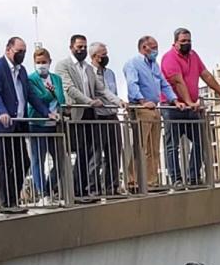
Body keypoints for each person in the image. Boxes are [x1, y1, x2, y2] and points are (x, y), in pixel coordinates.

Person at [0, 37, 57, 213]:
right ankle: (6, 203)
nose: (21, 55)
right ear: (8, 50)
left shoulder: (21, 70)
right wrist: (2, 113)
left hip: (17, 126)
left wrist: (47, 112)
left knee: (23, 161)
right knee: (4, 164)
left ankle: (13, 200)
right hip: (1, 127)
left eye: (24, 51)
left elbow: (30, 95)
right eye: (18, 51)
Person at [54, 34, 121, 201]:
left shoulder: (88, 68)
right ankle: (77, 191)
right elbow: (69, 88)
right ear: (71, 47)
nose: (82, 50)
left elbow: (101, 89)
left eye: (84, 47)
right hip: (76, 114)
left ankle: (86, 190)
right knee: (80, 153)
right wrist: (89, 102)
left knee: (90, 154)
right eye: (79, 47)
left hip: (91, 115)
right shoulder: (63, 65)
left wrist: (118, 101)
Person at [160, 27, 220, 186]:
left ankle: (193, 177)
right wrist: (189, 102)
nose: (186, 44)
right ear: (175, 42)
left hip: (191, 108)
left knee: (200, 141)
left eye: (189, 41)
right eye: (183, 41)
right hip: (173, 108)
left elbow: (206, 75)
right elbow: (178, 81)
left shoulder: (193, 55)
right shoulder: (169, 58)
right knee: (173, 146)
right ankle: (176, 179)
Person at [124, 35, 183, 191]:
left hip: (154, 108)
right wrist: (143, 101)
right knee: (140, 146)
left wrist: (174, 100)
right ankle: (133, 182)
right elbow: (132, 84)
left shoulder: (154, 65)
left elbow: (164, 84)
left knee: (154, 148)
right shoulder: (133, 63)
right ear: (145, 47)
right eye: (154, 47)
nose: (156, 50)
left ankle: (151, 181)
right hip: (141, 108)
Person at [27, 47, 66, 201]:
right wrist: (51, 93)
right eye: (38, 62)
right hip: (37, 123)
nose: (41, 65)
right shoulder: (31, 79)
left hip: (54, 124)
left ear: (50, 62)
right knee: (38, 159)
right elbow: (38, 97)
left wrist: (54, 97)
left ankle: (50, 187)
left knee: (60, 159)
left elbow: (61, 98)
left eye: (44, 62)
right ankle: (42, 192)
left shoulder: (57, 79)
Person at [89, 41, 126, 195]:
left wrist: (119, 103)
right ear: (94, 56)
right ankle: (93, 187)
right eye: (103, 55)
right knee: (95, 155)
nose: (105, 57)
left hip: (112, 115)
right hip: (97, 117)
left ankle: (112, 186)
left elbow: (112, 92)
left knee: (114, 152)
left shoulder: (110, 73)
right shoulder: (88, 72)